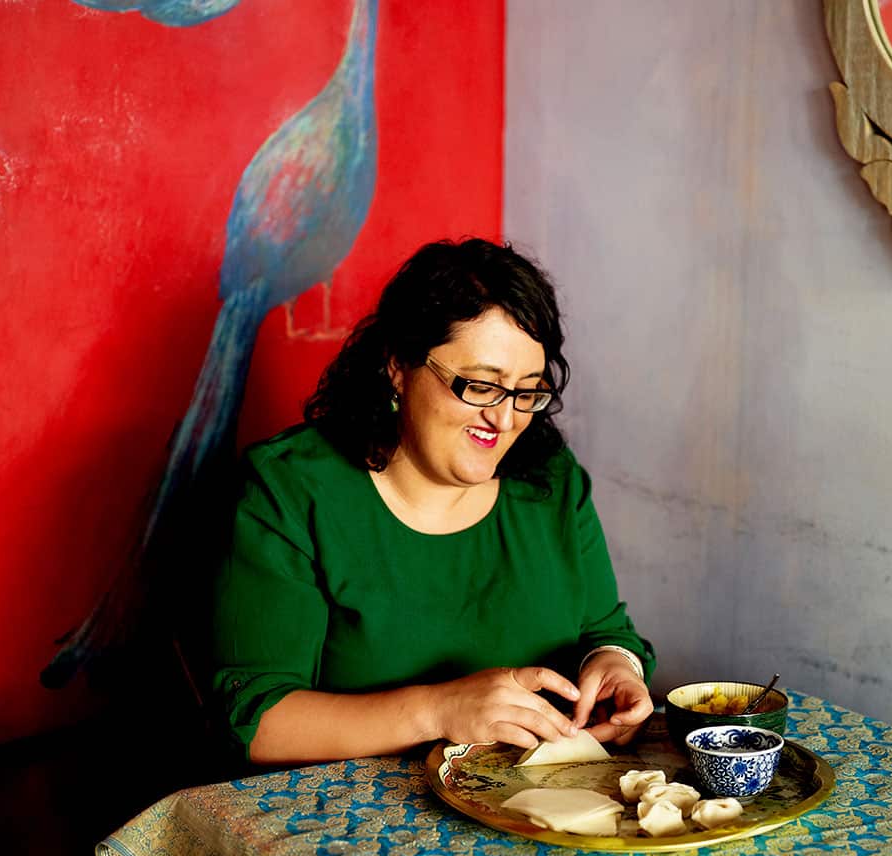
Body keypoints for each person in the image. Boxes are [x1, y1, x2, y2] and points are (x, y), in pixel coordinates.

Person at [210, 237, 655, 765]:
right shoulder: (290, 489)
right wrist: (439, 709)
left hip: (535, 807)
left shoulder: (550, 480)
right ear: (398, 365)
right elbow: (257, 722)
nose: (505, 418)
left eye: (527, 391)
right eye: (480, 386)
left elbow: (607, 632)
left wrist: (615, 664)